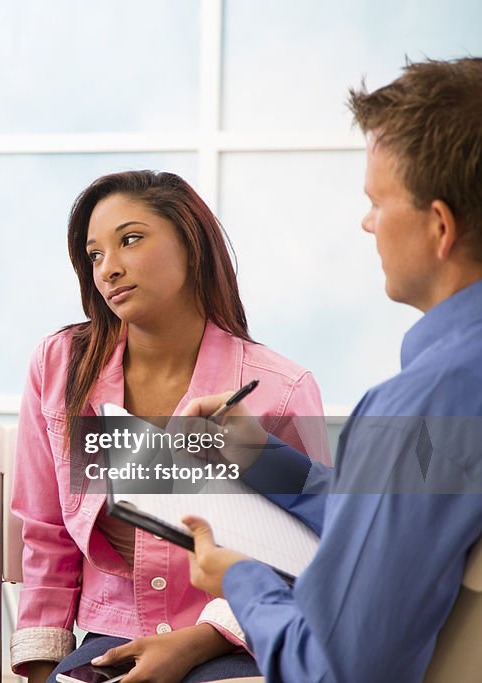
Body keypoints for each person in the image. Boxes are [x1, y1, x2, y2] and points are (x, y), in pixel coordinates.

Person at [180, 57, 482, 683]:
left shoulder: (420, 406)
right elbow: (402, 507)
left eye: (377, 201)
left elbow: (333, 670)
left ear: (441, 227)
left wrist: (240, 579)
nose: (366, 222)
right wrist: (259, 456)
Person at [10, 170, 332, 683]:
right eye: (95, 255)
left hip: (235, 638)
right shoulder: (58, 366)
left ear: (190, 244)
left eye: (130, 240)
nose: (108, 269)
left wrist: (200, 641)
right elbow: (48, 533)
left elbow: (312, 550)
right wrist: (47, 671)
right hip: (110, 636)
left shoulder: (281, 388)